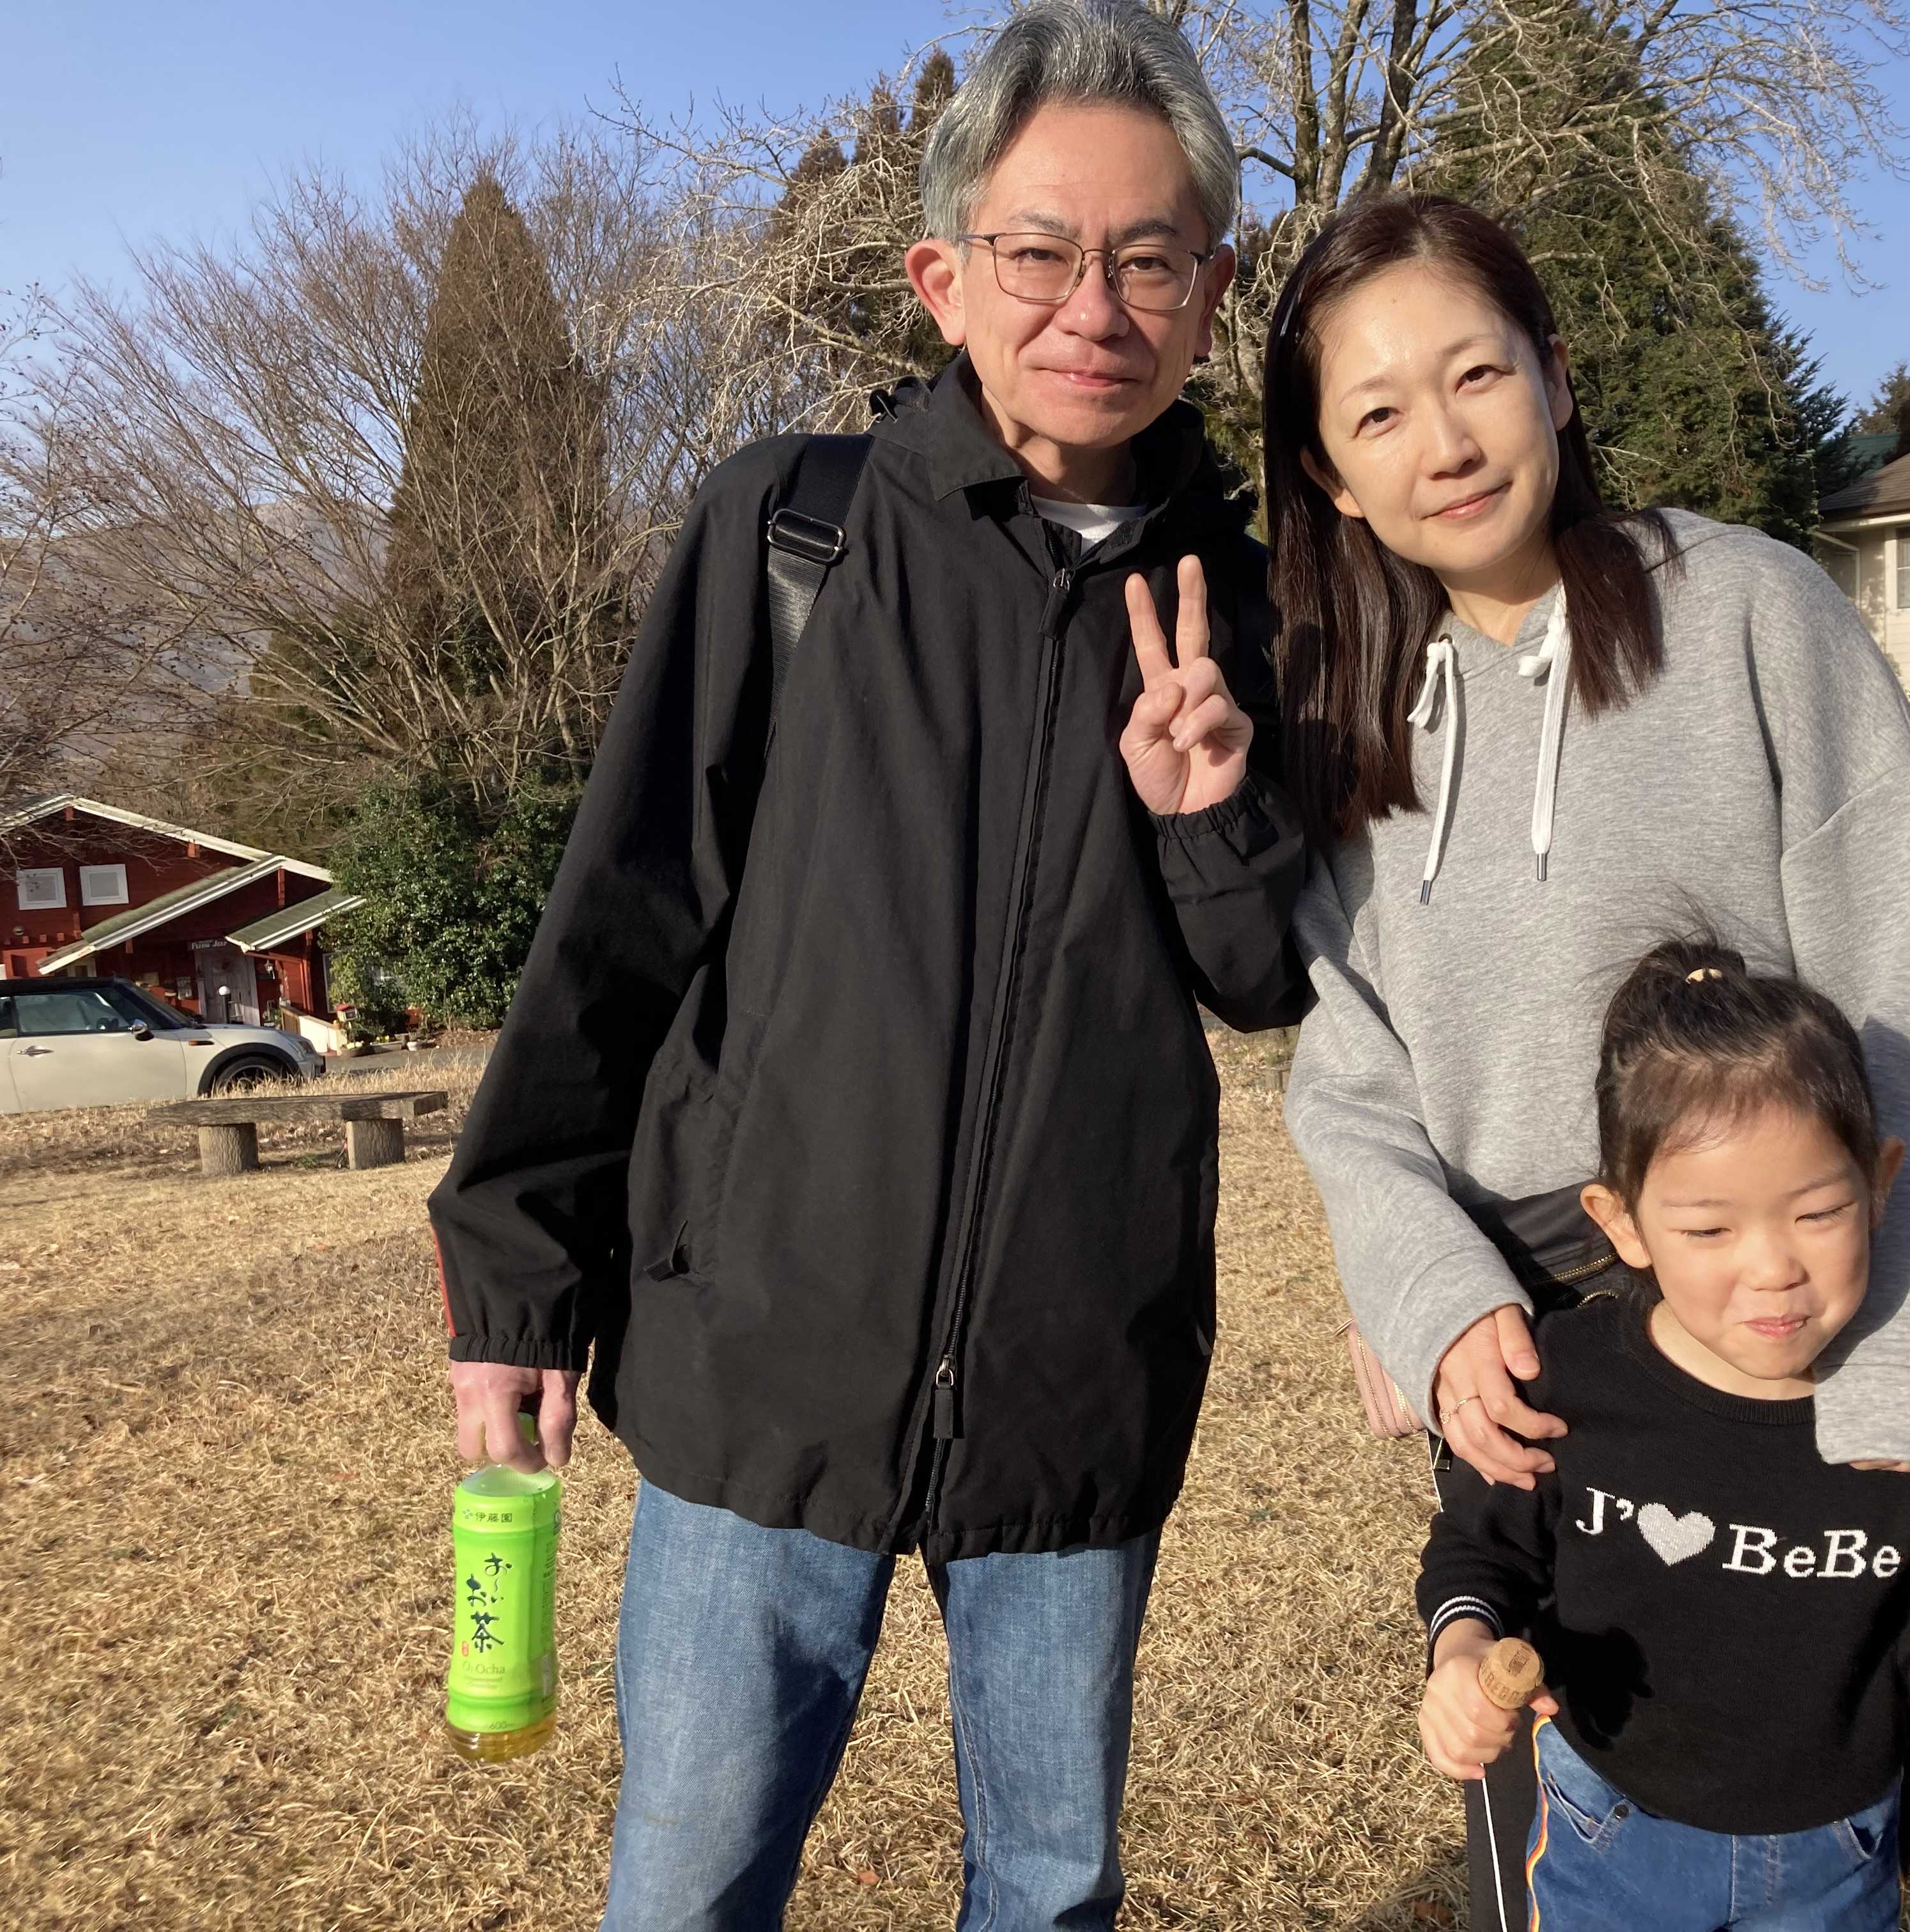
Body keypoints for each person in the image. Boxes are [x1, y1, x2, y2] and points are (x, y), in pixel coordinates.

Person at [426, 6, 1306, 1927]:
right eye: (1040, 252)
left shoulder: (1243, 604)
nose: (1096, 308)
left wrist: (1210, 812)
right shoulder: (795, 529)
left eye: (1152, 258)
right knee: (690, 1886)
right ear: (944, 277)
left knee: (1052, 1895)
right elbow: (623, 913)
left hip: (1075, 1382)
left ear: (1215, 289)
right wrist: (516, 1274)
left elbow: (1265, 982)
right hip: (762, 1361)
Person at [1265, 195, 1910, 1926]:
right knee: (1546, 1771)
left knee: (1801, 1773)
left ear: (1555, 374)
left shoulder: (1749, 608)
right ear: (1329, 474)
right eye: (1380, 411)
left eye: (1477, 374)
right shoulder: (1345, 711)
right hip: (1518, 1334)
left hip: (1756, 1283)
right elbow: (1349, 1068)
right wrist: (1418, 1291)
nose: (1446, 441)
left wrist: (1902, 1358)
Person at [1414, 939, 1910, 1931]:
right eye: (1708, 1230)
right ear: (1622, 1223)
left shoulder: (1909, 1419)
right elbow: (1482, 1550)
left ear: (1880, 1184)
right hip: (1605, 1830)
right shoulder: (1572, 1381)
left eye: (1817, 1213)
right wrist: (1463, 1650)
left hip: (1833, 1859)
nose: (1772, 1270)